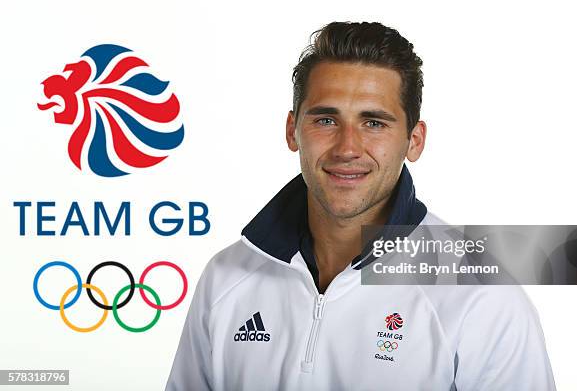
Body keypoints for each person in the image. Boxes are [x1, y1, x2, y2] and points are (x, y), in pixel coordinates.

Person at [165, 21, 556, 390]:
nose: (348, 148)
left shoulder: (481, 297)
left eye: (373, 123)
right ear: (292, 131)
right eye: (326, 120)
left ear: (414, 141)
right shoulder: (226, 277)